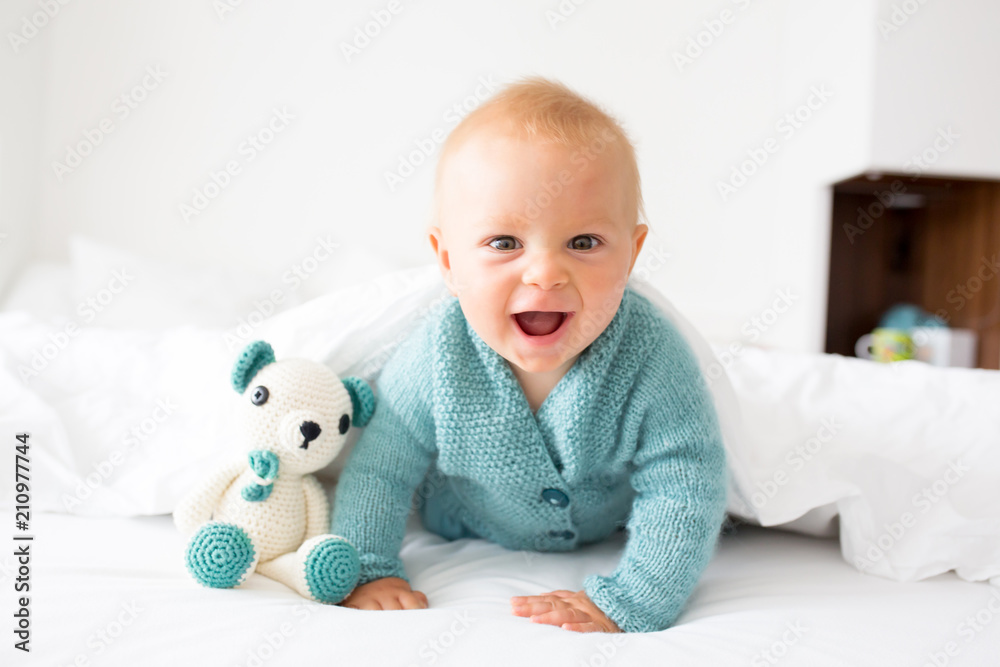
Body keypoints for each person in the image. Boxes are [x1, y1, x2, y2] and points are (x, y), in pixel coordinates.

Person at [331, 76, 727, 633]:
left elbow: (687, 480)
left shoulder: (651, 356)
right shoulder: (437, 355)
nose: (544, 272)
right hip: (462, 518)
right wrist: (369, 569)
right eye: (504, 243)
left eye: (584, 243)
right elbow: (380, 471)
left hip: (605, 523)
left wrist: (634, 598)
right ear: (447, 260)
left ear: (631, 254)